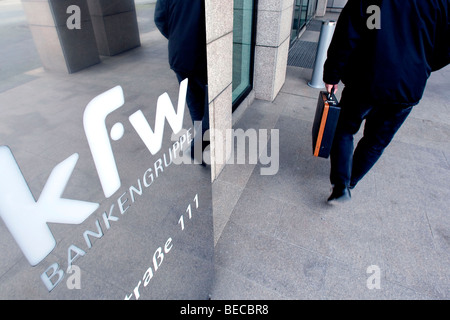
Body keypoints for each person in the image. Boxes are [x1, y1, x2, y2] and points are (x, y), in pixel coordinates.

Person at [323, 0, 449, 202]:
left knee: (344, 129)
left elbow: (347, 35)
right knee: (376, 141)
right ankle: (351, 181)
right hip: (408, 85)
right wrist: (420, 65)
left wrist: (332, 75)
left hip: (366, 79)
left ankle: (340, 184)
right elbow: (445, 47)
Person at [154, 0, 209, 164]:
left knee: (194, 104)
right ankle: (198, 147)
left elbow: (160, 19)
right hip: (202, 56)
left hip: (179, 56)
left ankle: (199, 147)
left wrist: (178, 36)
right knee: (211, 105)